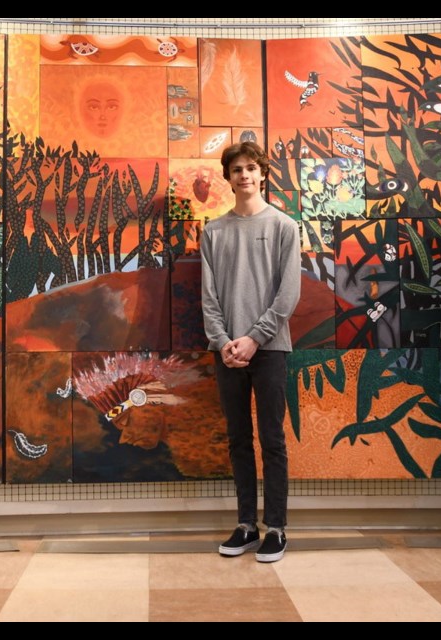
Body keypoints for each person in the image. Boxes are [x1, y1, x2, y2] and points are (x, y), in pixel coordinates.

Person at [201, 141, 301, 562]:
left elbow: (288, 295)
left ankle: (275, 528)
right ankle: (246, 524)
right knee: (239, 440)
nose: (244, 175)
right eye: (236, 169)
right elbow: (207, 297)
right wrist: (224, 341)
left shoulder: (283, 226)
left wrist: (255, 338)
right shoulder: (213, 231)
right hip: (226, 353)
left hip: (270, 349)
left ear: (262, 174)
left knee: (272, 439)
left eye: (251, 168)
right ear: (228, 177)